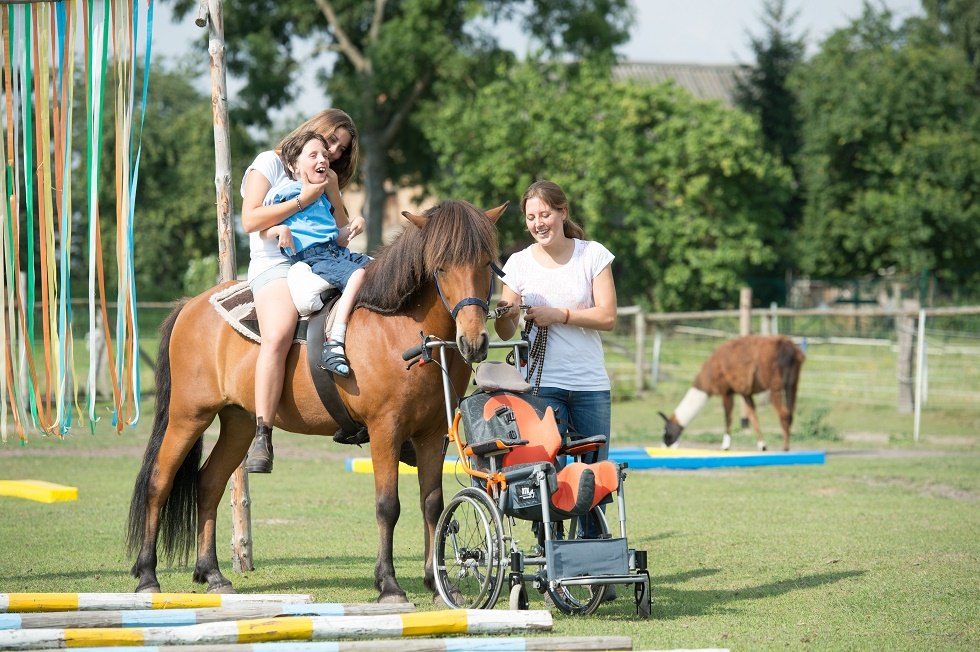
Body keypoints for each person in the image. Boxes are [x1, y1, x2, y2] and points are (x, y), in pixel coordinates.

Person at [494, 180, 618, 572]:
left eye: (545, 214)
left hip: (590, 386)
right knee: (546, 473)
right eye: (531, 217)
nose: (538, 223)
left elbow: (608, 316)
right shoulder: (517, 264)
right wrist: (509, 313)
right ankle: (554, 560)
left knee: (593, 477)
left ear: (563, 212)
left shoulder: (592, 255)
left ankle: (596, 566)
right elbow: (503, 331)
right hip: (541, 385)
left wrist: (558, 315)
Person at [240, 109, 362, 474]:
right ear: (314, 129)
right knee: (277, 334)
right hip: (276, 264)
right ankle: (263, 431)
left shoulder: (323, 173)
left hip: (321, 257)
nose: (334, 152)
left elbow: (338, 226)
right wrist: (304, 199)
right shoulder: (271, 164)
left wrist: (336, 195)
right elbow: (250, 220)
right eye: (331, 141)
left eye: (340, 149)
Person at [262, 130, 370, 378]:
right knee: (358, 276)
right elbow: (264, 229)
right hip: (314, 258)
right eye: (313, 155)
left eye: (324, 155)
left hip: (334, 253)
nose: (323, 159)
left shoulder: (322, 196)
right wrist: (280, 229)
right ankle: (335, 340)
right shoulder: (289, 191)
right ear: (294, 166)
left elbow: (336, 238)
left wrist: (353, 226)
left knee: (382, 268)